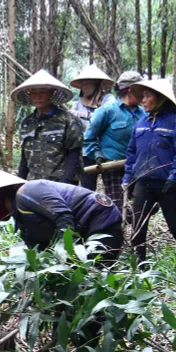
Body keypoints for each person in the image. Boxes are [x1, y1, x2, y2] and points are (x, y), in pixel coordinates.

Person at [0, 166, 123, 261]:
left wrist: (66, 252)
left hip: (101, 224)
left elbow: (63, 216)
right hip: (86, 229)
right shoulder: (22, 218)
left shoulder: (28, 191)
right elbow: (37, 248)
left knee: (94, 279)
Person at [122, 79, 176, 263]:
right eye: (142, 96)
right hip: (143, 183)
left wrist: (174, 177)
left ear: (160, 98)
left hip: (168, 184)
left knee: (174, 225)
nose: (142, 100)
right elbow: (131, 153)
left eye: (147, 96)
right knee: (138, 226)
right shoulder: (141, 124)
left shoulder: (173, 121)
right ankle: (140, 264)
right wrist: (128, 179)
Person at [82, 72, 146, 211]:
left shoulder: (144, 113)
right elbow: (89, 138)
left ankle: (133, 228)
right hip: (114, 168)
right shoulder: (107, 111)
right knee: (118, 208)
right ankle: (115, 229)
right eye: (141, 90)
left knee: (146, 206)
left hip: (140, 168)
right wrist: (97, 155)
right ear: (130, 90)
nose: (144, 94)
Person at [11, 70, 84, 184]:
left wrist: (66, 184)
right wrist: (19, 183)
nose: (38, 96)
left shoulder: (69, 121)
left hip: (59, 183)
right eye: (34, 93)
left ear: (52, 93)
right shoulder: (27, 123)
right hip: (33, 183)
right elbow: (24, 158)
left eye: (43, 92)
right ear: (29, 95)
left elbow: (74, 155)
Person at [69, 64, 116, 190]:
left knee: (112, 188)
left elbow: (105, 115)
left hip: (106, 150)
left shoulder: (108, 99)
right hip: (86, 150)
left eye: (88, 84)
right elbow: (71, 117)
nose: (84, 86)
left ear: (97, 84)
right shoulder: (77, 103)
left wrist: (81, 115)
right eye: (82, 84)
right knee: (87, 189)